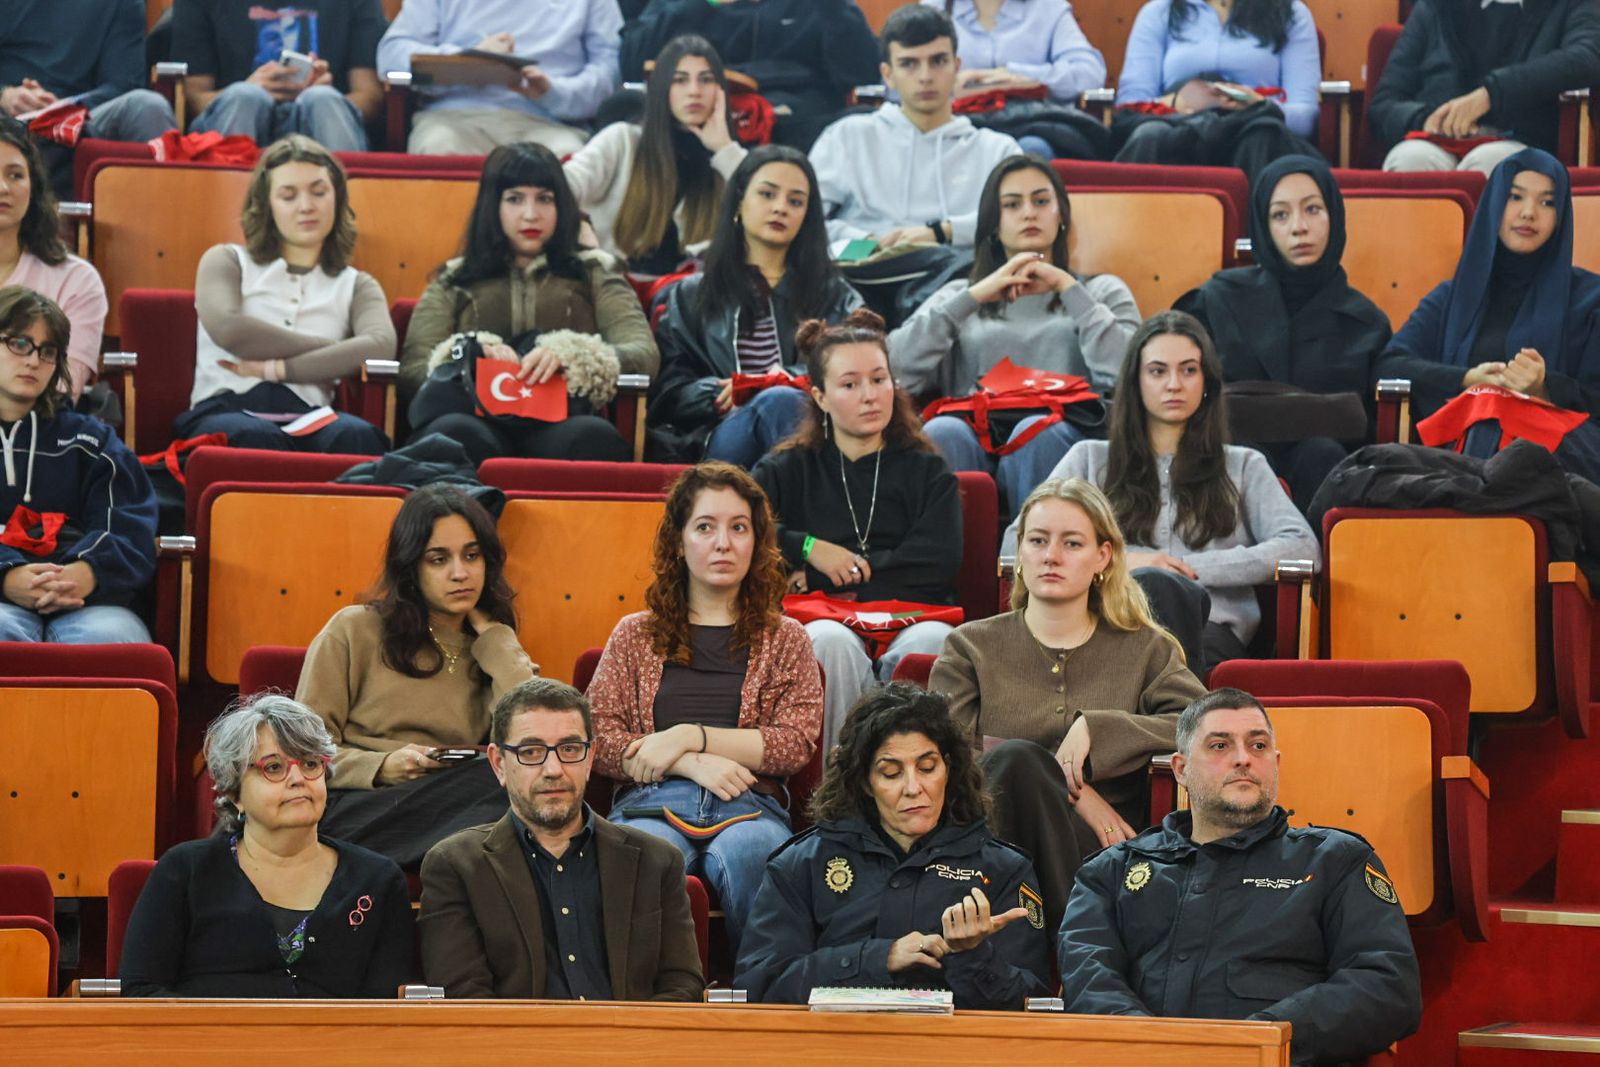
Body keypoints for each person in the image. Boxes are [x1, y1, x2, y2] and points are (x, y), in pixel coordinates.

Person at [1059, 688, 1423, 1066]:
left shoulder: (1335, 861)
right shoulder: (1110, 872)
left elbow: (1387, 986)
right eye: (1219, 746)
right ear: (1181, 769)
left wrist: (1258, 1042)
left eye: (1258, 746)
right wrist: (1154, 1049)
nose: (1243, 759)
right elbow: (1089, 980)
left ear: (1276, 762)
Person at [934, 477, 1204, 935]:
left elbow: (1202, 725)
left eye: (1072, 543)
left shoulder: (1145, 649)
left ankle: (1060, 944)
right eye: (1037, 540)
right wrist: (1075, 793)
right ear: (1020, 551)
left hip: (1102, 848)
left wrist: (1099, 728)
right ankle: (1078, 943)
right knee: (1014, 760)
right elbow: (948, 758)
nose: (1051, 555)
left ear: (1103, 556)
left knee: (1017, 758)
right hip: (987, 841)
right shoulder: (969, 646)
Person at [587, 462, 822, 950]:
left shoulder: (787, 638)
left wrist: (689, 735)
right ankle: (647, 1014)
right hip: (649, 805)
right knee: (650, 858)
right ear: (679, 541)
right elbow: (599, 739)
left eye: (739, 528)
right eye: (705, 527)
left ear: (756, 542)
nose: (723, 543)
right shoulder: (634, 634)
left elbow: (793, 744)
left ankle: (762, 1002)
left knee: (753, 853)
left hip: (749, 809)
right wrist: (690, 761)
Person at [1019, 311, 1319, 672]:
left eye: (1189, 370)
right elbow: (1016, 543)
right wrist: (1123, 562)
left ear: (1206, 381)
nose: (1174, 384)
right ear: (1136, 382)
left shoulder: (1243, 465)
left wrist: (1188, 570)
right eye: (1158, 371)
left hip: (1208, 634)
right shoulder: (1087, 460)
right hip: (1105, 626)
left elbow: (1302, 547)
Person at [735, 682, 1051, 1008]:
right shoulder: (802, 864)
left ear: (949, 769)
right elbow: (760, 987)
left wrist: (973, 954)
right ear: (865, 784)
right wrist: (879, 959)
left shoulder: (1004, 869)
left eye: (927, 768)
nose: (914, 788)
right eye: (890, 773)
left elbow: (1035, 1005)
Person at [295, 483, 539, 868]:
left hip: (454, 805)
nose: (460, 573)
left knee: (522, 779)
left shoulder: (493, 649)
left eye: (471, 556)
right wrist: (382, 767)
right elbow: (300, 752)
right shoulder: (354, 629)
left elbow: (532, 742)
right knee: (504, 798)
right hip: (358, 802)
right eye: (439, 560)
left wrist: (498, 641)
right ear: (411, 568)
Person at [752, 310, 963, 752]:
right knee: (829, 642)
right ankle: (832, 798)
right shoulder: (787, 467)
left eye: (879, 379)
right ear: (821, 397)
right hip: (821, 617)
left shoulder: (927, 469)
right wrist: (808, 546)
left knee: (932, 643)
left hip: (912, 613)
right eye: (850, 385)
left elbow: (937, 562)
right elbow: (748, 529)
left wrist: (821, 576)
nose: (870, 396)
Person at [419, 677, 705, 1000]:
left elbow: (681, 988)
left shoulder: (657, 860)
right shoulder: (456, 867)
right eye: (531, 751)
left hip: (631, 1048)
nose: (553, 768)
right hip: (515, 1048)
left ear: (591, 757)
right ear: (499, 764)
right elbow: (466, 1002)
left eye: (569, 749)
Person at [891, 154, 1140, 514]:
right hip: (972, 427)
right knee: (943, 431)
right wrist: (973, 297)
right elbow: (893, 370)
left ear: (1061, 215)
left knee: (1035, 431)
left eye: (1041, 201)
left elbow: (1134, 375)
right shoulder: (960, 295)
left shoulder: (1100, 291)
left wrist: (1069, 289)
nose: (1028, 213)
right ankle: (950, 566)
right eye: (1012, 204)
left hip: (1063, 433)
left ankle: (1035, 565)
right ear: (994, 222)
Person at [120, 694, 414, 997]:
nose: (298, 778)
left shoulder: (376, 880)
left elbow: (388, 1011)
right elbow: (141, 991)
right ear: (234, 793)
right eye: (274, 768)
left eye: (311, 764)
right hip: (206, 1042)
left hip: (336, 1044)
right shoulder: (186, 870)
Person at [402, 142, 658, 465]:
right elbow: (413, 369)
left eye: (545, 199)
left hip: (564, 418)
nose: (530, 214)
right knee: (454, 433)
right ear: (492, 206)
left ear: (561, 206)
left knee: (591, 439)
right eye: (514, 198)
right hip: (473, 415)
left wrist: (573, 354)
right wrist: (469, 351)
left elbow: (643, 353)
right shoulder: (454, 279)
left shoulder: (594, 270)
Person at [1175, 155, 1392, 511]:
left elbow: (1368, 434)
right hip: (1230, 465)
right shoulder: (1217, 299)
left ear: (1334, 216)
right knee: (1243, 456)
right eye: (1280, 215)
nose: (1298, 227)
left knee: (1320, 453)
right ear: (1262, 225)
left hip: (1326, 474)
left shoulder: (1365, 322)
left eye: (1312, 210)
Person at [1375, 148, 1600, 483]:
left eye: (1547, 202)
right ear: (1494, 204)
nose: (1528, 213)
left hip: (1560, 462)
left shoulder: (1590, 298)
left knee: (1496, 419)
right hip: (1462, 454)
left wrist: (1544, 388)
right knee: (1485, 416)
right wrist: (1469, 381)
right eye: (1515, 197)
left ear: (1561, 216)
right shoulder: (1452, 296)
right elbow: (1390, 365)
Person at [176, 135, 391, 454]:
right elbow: (230, 330)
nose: (307, 206)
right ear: (266, 205)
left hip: (312, 414)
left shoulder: (357, 284)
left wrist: (277, 370)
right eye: (288, 196)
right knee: (255, 439)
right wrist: (337, 351)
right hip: (227, 407)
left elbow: (380, 347)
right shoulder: (227, 260)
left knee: (357, 437)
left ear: (338, 198)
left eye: (319, 192)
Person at [652, 145, 863, 467]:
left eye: (795, 201)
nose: (781, 208)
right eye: (767, 194)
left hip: (819, 431)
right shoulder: (690, 295)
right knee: (777, 401)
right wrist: (721, 394)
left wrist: (770, 383)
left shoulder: (835, 296)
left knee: (781, 400)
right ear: (739, 201)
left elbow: (855, 370)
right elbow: (669, 392)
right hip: (721, 432)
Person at [0, 286, 156, 645]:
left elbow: (129, 527)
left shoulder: (92, 440)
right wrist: (7, 576)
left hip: (86, 601)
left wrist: (84, 572)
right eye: (19, 344)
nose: (33, 360)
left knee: (116, 641)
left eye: (48, 351)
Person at [810, 5, 1021, 251]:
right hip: (864, 270)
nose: (925, 76)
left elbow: (1022, 221)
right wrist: (868, 244)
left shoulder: (997, 150)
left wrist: (942, 232)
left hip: (959, 276)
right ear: (888, 75)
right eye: (909, 63)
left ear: (957, 67)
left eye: (938, 61)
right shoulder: (847, 137)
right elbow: (804, 221)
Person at [563, 35, 746, 275]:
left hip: (689, 302)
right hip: (614, 292)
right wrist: (581, 231)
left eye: (706, 80)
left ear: (720, 91)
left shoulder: (727, 159)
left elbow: (766, 209)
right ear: (661, 88)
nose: (694, 91)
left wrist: (724, 148)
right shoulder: (622, 140)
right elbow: (559, 187)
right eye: (680, 80)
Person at [1368, 0, 1600, 174]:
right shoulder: (1435, 6)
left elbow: (1586, 57)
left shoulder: (1571, 4)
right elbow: (1384, 105)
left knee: (1491, 166)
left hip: (1520, 139)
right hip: (1436, 140)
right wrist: (1427, 119)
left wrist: (1491, 95)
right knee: (1411, 160)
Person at [620, 0, 880, 150]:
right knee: (621, 109)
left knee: (864, 123)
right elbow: (631, 60)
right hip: (707, 113)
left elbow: (865, 71)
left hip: (799, 119)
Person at [377, 0, 623, 156]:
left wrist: (556, 93)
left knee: (568, 158)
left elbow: (612, 71)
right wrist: (468, 61)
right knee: (438, 147)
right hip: (454, 119)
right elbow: (390, 58)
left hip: (551, 122)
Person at [1113, 0, 1321, 181]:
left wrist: (1259, 104)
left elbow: (1304, 117)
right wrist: (1176, 102)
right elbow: (1130, 105)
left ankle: (1252, 227)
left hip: (1255, 123)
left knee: (1261, 135)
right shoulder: (1158, 12)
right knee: (1150, 134)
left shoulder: (1291, 13)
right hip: (1179, 120)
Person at [0, 1, 176, 193]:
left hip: (82, 117)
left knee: (148, 107)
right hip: (6, 114)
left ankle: (170, 216)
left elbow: (123, 84)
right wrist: (5, 96)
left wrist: (62, 108)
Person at [171, 0, 386, 153]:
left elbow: (370, 97)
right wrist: (254, 87)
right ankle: (225, 210)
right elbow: (191, 98)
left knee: (323, 99)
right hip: (238, 115)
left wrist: (318, 88)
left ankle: (346, 212)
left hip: (318, 116)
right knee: (244, 96)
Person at [0, 119, 107, 401]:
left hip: (36, 434)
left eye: (15, 175)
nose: (3, 188)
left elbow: (61, 391)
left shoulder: (76, 279)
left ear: (33, 189)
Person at [935, 0, 1106, 109]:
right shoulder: (935, 8)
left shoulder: (1049, 8)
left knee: (1032, 150)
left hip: (1030, 124)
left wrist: (1009, 75)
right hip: (957, 123)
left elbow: (1088, 74)